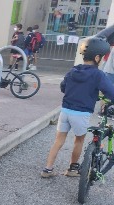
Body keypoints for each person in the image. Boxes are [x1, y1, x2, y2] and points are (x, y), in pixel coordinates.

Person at [41, 37, 114, 178]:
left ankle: (47, 169)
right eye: (103, 57)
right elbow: (110, 92)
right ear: (97, 57)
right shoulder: (98, 74)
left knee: (59, 140)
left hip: (66, 110)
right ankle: (72, 169)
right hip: (81, 113)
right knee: (78, 140)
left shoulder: (73, 70)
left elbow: (63, 87)